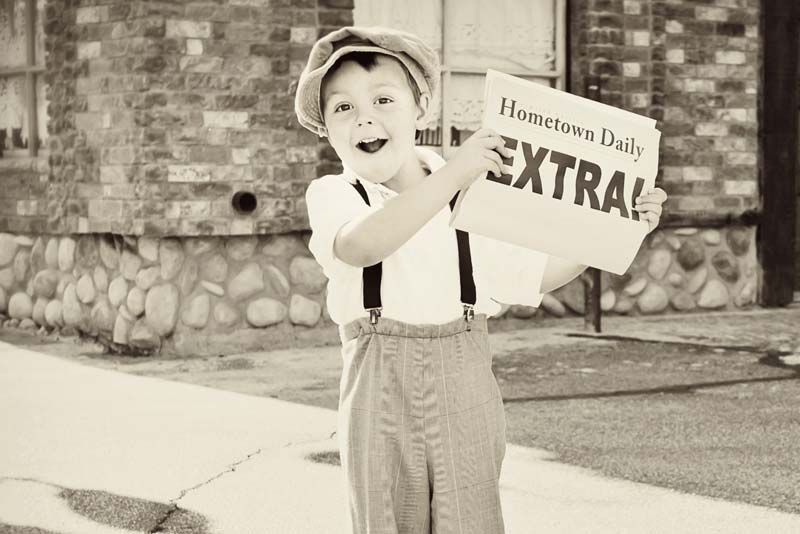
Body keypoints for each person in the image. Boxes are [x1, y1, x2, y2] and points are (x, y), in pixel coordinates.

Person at [294, 26, 667, 534]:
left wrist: (618, 227)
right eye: (342, 108)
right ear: (326, 130)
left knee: (471, 521)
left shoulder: (474, 197)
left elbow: (540, 273)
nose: (365, 117)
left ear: (419, 109)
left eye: (384, 99)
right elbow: (362, 246)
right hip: (377, 390)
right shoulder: (336, 195)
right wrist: (456, 173)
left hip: (464, 384)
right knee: (384, 521)